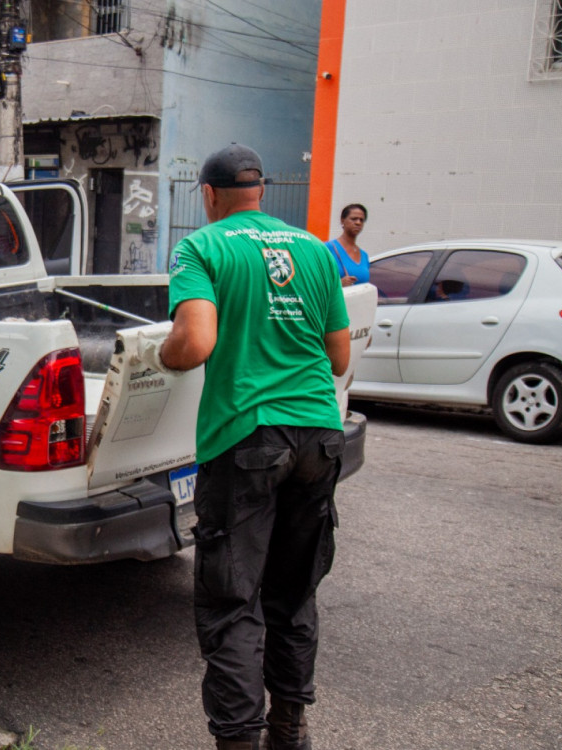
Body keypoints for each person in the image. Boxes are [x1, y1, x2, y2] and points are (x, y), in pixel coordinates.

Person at [155, 144, 351, 750]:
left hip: (246, 439)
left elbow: (194, 343)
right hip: (319, 433)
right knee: (293, 594)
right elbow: (338, 356)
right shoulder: (316, 250)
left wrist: (160, 353)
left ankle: (239, 741)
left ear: (209, 195)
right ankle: (288, 732)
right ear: (261, 191)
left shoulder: (201, 248)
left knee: (233, 602)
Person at [324, 203, 369, 286]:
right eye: (354, 219)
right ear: (342, 220)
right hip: (338, 298)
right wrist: (339, 284)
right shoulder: (327, 248)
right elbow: (315, 282)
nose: (358, 223)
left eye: (361, 220)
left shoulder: (364, 255)